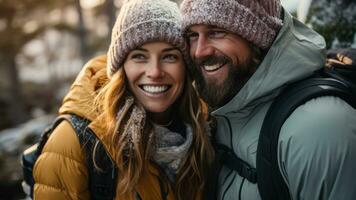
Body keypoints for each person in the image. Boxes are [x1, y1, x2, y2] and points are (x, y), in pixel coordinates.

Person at [32, 0, 214, 199]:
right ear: (121, 67)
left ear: (185, 67)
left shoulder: (205, 131)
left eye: (169, 57)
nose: (154, 72)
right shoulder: (75, 143)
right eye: (139, 56)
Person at [180, 0, 356, 199]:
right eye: (192, 35)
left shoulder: (320, 129)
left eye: (217, 32)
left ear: (257, 36)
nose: (199, 51)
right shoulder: (216, 113)